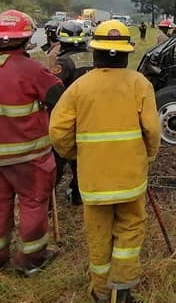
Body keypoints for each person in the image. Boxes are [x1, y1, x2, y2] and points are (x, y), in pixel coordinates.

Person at [50, 20, 161, 302]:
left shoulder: (78, 87)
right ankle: (121, 289)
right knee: (130, 228)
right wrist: (147, 155)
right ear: (126, 54)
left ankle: (100, 290)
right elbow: (152, 130)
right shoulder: (140, 84)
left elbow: (58, 131)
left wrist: (75, 154)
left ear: (95, 51)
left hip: (94, 181)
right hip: (130, 179)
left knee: (98, 234)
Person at [0, 9, 65, 275]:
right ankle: (31, 258)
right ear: (26, 38)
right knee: (34, 203)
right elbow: (57, 96)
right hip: (29, 156)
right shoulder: (32, 69)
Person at [46, 19, 94, 205]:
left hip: (69, 118)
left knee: (57, 160)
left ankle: (48, 202)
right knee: (82, 162)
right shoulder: (94, 57)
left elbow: (52, 90)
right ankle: (78, 196)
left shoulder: (63, 63)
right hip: (90, 116)